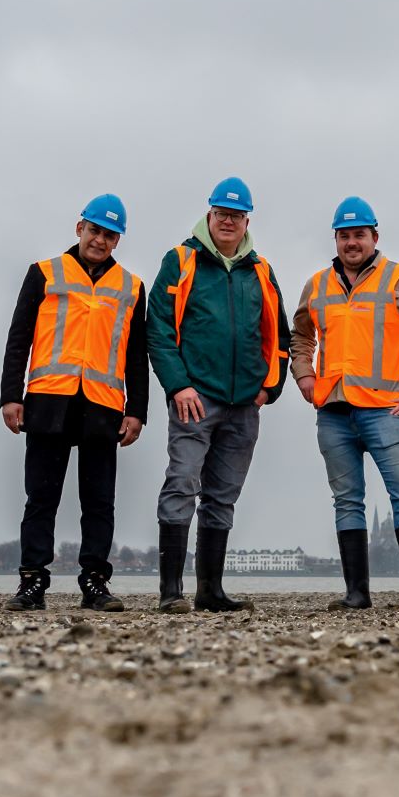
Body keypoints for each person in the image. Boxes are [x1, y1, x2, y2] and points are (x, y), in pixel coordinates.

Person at [289, 197, 399, 611]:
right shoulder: (318, 285)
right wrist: (304, 375)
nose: (352, 243)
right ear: (336, 239)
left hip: (388, 411)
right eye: (344, 235)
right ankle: (356, 593)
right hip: (334, 413)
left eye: (359, 234)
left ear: (374, 237)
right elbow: (300, 336)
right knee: (347, 501)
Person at [145, 176, 291, 613]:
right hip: (196, 397)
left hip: (244, 404)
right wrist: (178, 385)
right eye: (221, 213)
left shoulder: (261, 270)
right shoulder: (181, 260)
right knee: (182, 483)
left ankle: (211, 590)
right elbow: (158, 330)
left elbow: (279, 335)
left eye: (236, 214)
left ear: (247, 219)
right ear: (209, 214)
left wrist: (271, 388)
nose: (228, 221)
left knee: (223, 495)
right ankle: (171, 592)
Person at [0, 193, 148, 612]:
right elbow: (18, 338)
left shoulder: (132, 287)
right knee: (41, 498)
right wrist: (11, 396)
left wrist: (137, 410)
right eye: (95, 230)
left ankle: (95, 582)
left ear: (118, 241)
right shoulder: (44, 273)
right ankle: (32, 583)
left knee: (99, 501)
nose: (100, 240)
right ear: (79, 227)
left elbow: (138, 355)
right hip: (48, 401)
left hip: (103, 405)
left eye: (109, 235)